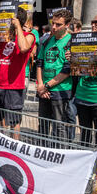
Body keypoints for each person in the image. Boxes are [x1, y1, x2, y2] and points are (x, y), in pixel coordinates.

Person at [0, 7, 36, 139]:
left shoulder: (29, 36)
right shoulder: (4, 37)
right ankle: (0, 144)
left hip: (14, 85)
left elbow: (23, 48)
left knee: (14, 121)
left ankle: (14, 146)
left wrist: (18, 27)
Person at [72, 10, 97, 146]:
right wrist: (71, 59)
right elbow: (78, 68)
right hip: (83, 95)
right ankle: (85, 165)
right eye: (93, 22)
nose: (93, 25)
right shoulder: (87, 40)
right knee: (84, 136)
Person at [36, 9, 73, 141]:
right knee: (43, 125)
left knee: (59, 127)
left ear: (67, 25)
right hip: (44, 90)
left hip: (60, 91)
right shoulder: (47, 40)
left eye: (58, 24)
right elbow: (39, 63)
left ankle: (59, 155)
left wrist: (46, 85)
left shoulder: (71, 42)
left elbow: (67, 71)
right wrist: (40, 85)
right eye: (53, 23)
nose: (54, 27)